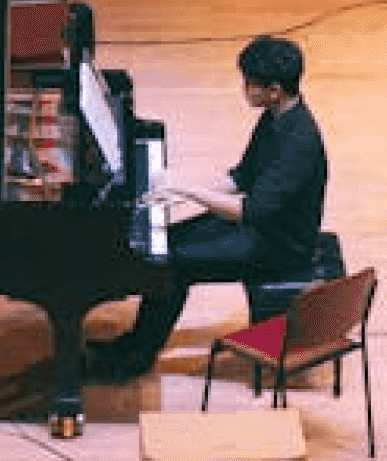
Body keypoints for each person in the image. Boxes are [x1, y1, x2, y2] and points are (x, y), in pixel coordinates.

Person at [88, 35, 328, 379]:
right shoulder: (276, 117)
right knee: (166, 243)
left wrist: (191, 190)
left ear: (274, 90)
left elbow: (250, 211)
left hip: (278, 246)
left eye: (250, 83)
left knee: (174, 262)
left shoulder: (298, 143)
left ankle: (137, 357)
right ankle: (135, 344)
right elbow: (243, 176)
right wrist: (181, 192)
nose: (244, 88)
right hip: (261, 227)